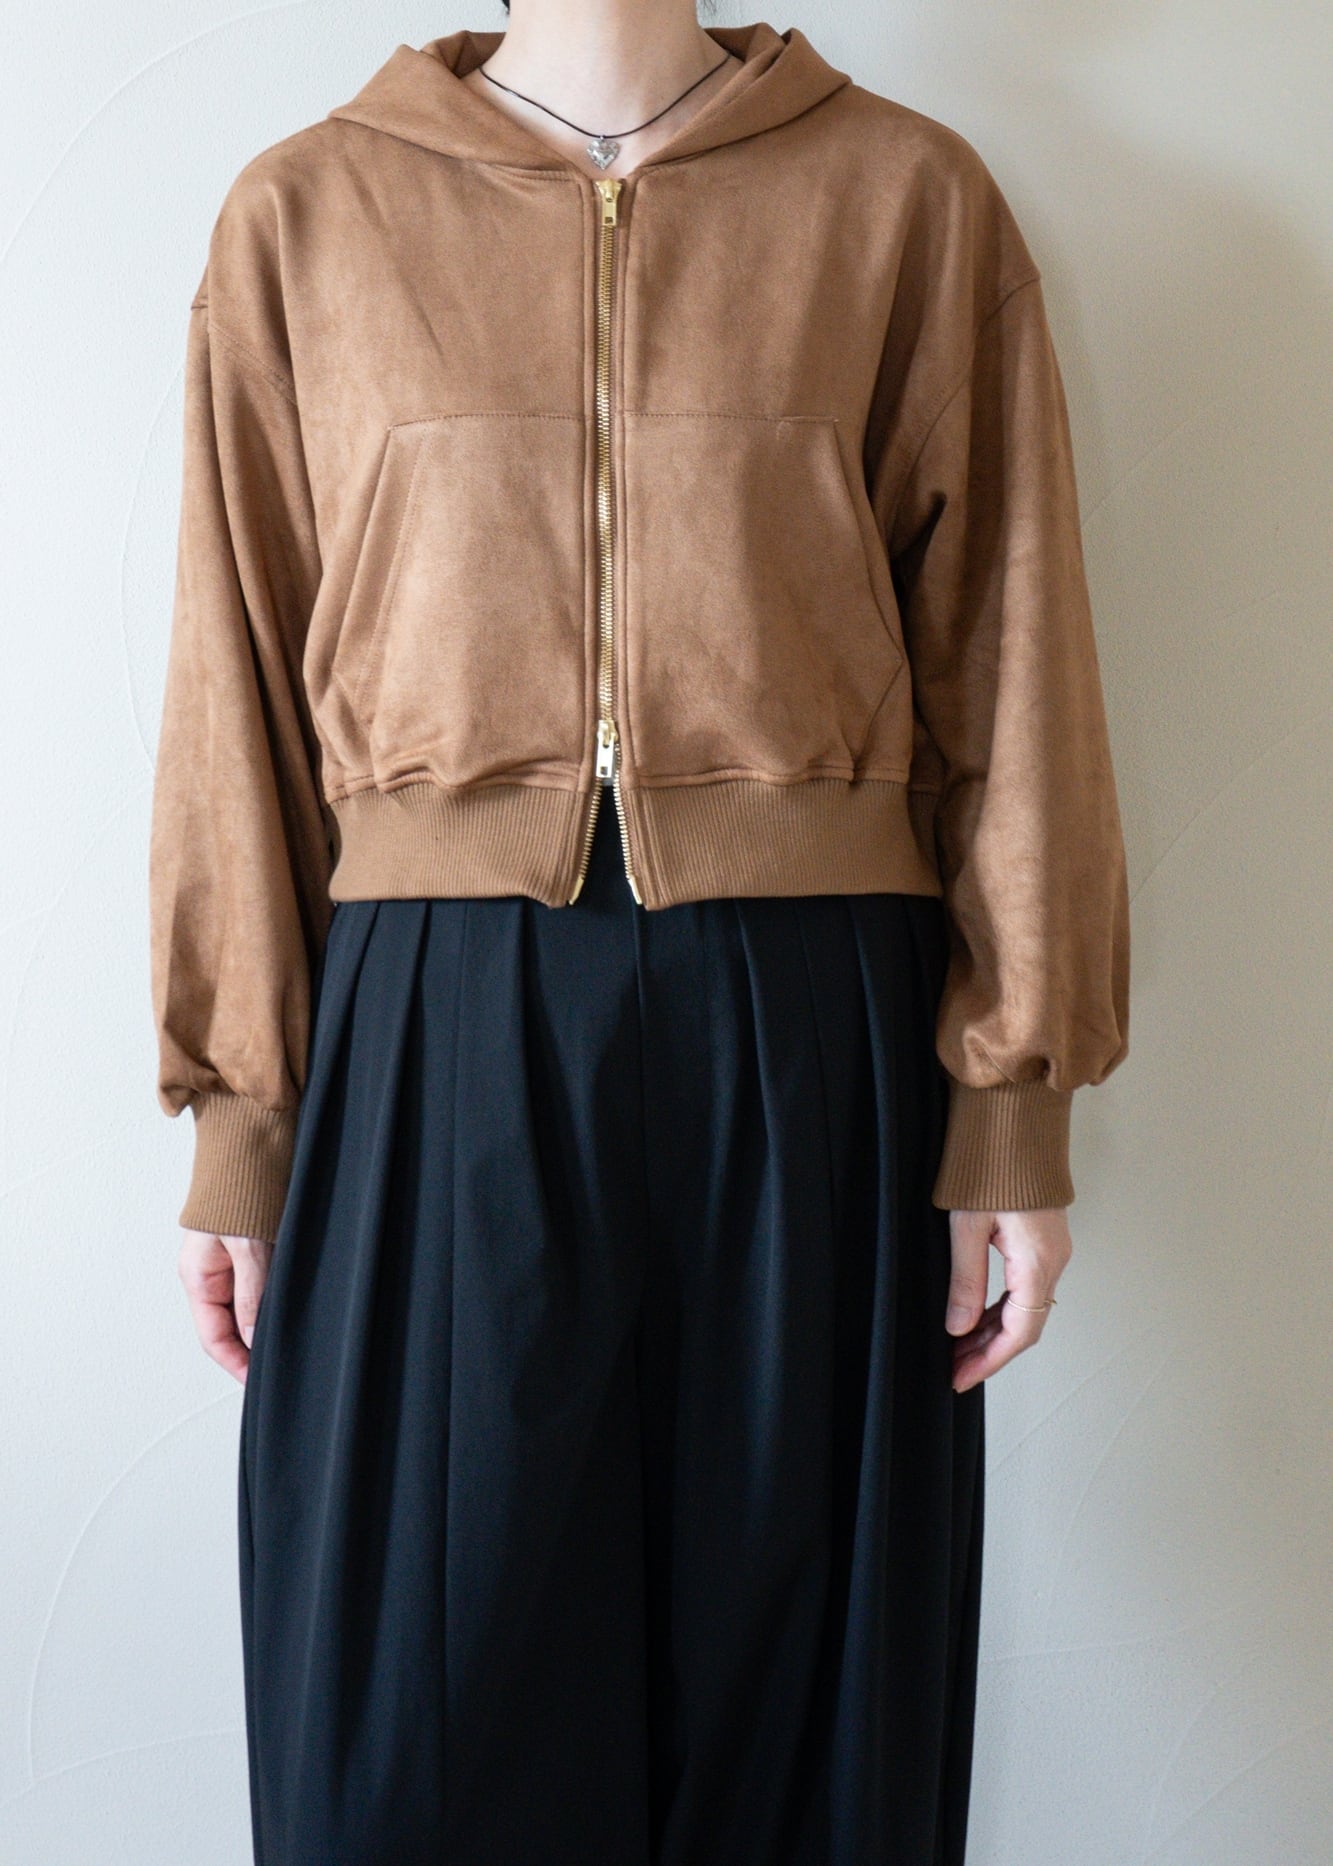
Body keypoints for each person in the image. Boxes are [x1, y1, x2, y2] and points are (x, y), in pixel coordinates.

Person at [148, 4, 1131, 1862]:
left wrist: (1012, 1100)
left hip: (817, 1014)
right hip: (432, 1025)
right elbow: (236, 689)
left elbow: (1012, 661)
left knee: (804, 1724)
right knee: (413, 1727)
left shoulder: (904, 198)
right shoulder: (311, 211)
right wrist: (242, 1116)